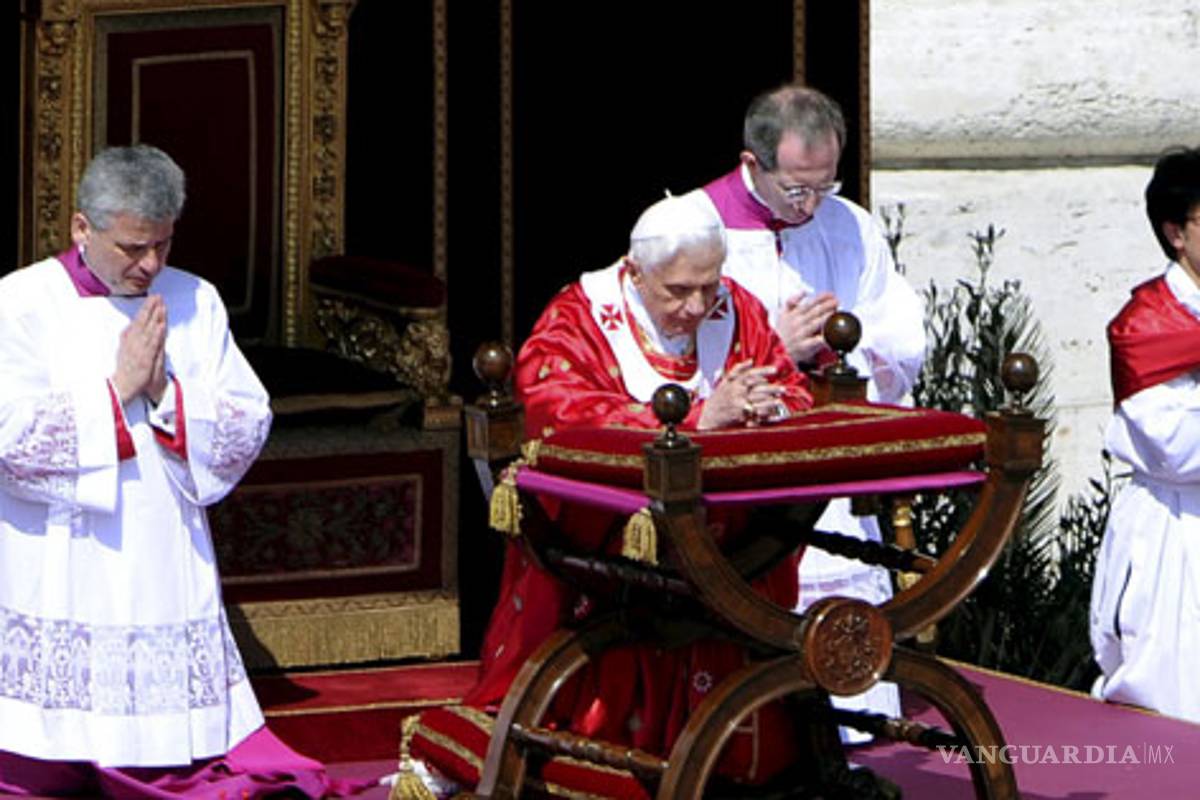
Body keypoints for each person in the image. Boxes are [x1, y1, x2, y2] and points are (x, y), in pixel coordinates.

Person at [415, 194, 814, 792]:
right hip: (605, 536)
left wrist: (768, 405)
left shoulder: (737, 311)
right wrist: (699, 419)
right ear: (634, 273)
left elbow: (790, 387)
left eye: (709, 286)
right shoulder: (579, 315)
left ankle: (731, 753)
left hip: (725, 534)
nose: (698, 306)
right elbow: (558, 407)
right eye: (678, 291)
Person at [0, 145, 348, 796]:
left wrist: (164, 394)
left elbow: (247, 417)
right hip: (60, 552)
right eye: (133, 247)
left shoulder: (196, 300)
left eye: (162, 244)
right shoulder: (19, 304)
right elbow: (8, 435)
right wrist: (115, 390)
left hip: (160, 544)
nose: (151, 264)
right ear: (82, 228)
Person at [684, 84, 926, 739]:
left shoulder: (849, 224)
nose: (813, 205)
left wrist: (849, 343)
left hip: (834, 474)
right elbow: (667, 355)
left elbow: (903, 332)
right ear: (752, 162)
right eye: (796, 189)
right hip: (742, 484)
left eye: (826, 184)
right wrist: (776, 348)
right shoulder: (692, 226)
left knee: (852, 697)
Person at [1090, 146, 1200, 723]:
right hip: (1175, 532)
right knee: (1173, 706)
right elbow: (1174, 448)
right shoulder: (1148, 325)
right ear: (1176, 233)